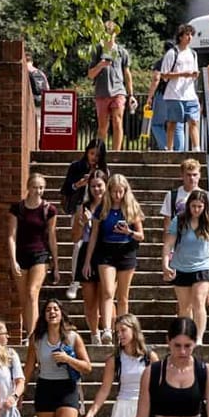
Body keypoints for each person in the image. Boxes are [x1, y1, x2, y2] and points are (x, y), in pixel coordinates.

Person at [84, 173, 145, 343]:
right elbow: (93, 237)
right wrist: (88, 261)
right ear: (109, 192)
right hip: (106, 251)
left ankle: (124, 330)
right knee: (108, 291)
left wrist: (129, 232)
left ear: (126, 191)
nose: (117, 195)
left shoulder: (132, 207)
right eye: (114, 192)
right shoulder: (102, 209)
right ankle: (107, 329)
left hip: (126, 250)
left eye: (121, 192)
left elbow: (141, 235)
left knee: (123, 296)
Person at [162, 190, 209, 346]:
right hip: (181, 265)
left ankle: (199, 337)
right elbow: (168, 244)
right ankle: (186, 334)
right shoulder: (179, 220)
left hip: (203, 265)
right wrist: (165, 264)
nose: (196, 210)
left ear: (205, 207)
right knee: (184, 305)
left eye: (200, 206)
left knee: (199, 301)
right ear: (188, 206)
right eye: (193, 206)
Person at [8, 172, 58, 343]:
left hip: (40, 254)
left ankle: (32, 336)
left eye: (41, 187)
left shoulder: (48, 209)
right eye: (35, 187)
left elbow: (52, 236)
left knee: (32, 293)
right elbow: (11, 236)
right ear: (28, 188)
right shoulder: (18, 209)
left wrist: (56, 264)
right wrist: (12, 259)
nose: (38, 191)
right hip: (21, 254)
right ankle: (30, 331)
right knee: (24, 299)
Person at [61, 138, 109, 298]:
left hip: (100, 210)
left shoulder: (104, 171)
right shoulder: (77, 166)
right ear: (87, 152)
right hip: (80, 208)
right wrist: (79, 184)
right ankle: (75, 281)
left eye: (98, 155)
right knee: (79, 244)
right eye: (92, 153)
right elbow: (66, 189)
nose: (94, 157)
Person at [70, 171, 108, 342]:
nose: (96, 189)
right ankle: (94, 334)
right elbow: (75, 237)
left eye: (99, 185)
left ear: (106, 185)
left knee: (106, 295)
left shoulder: (111, 205)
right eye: (93, 186)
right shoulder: (83, 206)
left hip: (106, 251)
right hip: (86, 250)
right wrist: (82, 222)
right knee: (89, 298)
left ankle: (108, 329)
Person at [87, 21, 135, 150]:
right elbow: (90, 74)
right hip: (102, 91)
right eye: (106, 34)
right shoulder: (97, 50)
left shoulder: (121, 51)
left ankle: (116, 153)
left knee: (117, 121)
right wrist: (101, 65)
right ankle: (100, 152)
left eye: (111, 34)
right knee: (103, 125)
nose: (109, 36)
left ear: (115, 34)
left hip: (118, 91)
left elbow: (127, 73)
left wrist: (131, 94)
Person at [161, 24, 201, 152]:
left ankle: (196, 148)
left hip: (189, 93)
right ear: (180, 36)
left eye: (191, 35)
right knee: (173, 122)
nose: (189, 37)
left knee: (193, 121)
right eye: (187, 35)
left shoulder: (193, 54)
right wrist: (182, 74)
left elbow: (194, 72)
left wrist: (194, 74)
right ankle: (170, 148)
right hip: (174, 94)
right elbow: (164, 75)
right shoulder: (172, 53)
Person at [159, 158, 209, 223]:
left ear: (199, 175)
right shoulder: (172, 196)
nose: (191, 178)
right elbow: (167, 224)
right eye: (188, 175)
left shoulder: (208, 197)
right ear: (182, 175)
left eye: (195, 175)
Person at [147, 41, 183, 152]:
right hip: (179, 95)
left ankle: (166, 147)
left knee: (157, 124)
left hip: (163, 94)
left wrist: (150, 96)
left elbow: (156, 79)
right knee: (177, 125)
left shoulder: (161, 61)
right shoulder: (181, 61)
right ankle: (180, 151)